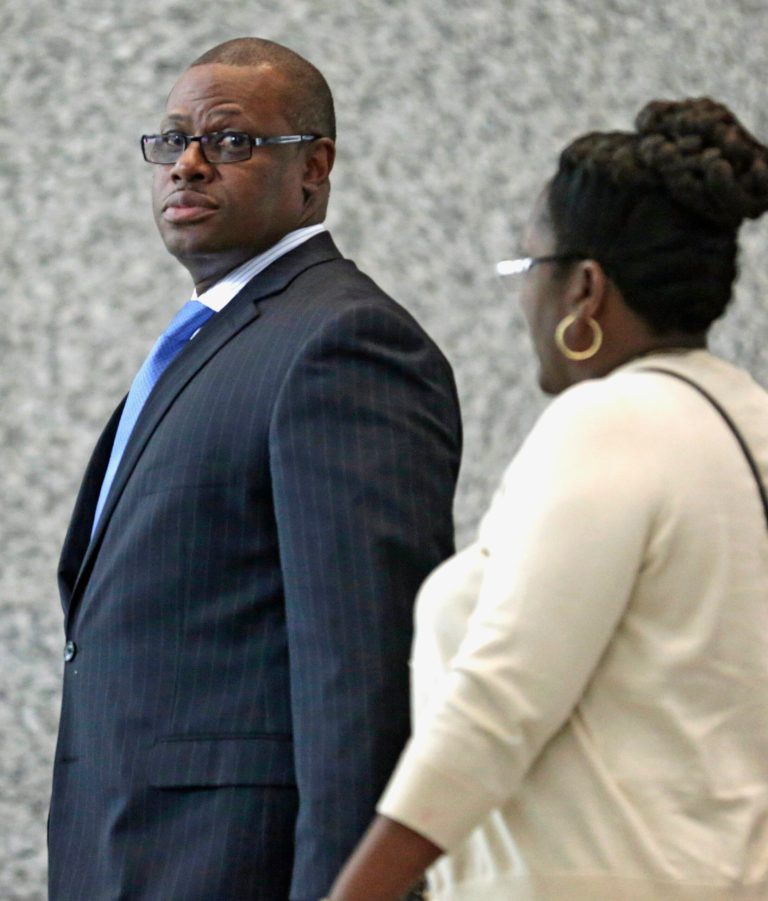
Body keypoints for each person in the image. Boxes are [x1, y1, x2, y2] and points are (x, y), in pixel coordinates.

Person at [48, 37, 461, 901]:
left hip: (235, 866)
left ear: (314, 169)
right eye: (170, 141)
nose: (188, 165)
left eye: (230, 142)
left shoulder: (344, 343)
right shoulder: (213, 337)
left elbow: (365, 674)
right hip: (129, 855)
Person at [326, 97, 768, 900]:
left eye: (530, 267)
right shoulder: (746, 423)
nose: (524, 298)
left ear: (585, 289)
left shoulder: (609, 421)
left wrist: (354, 891)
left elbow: (496, 707)